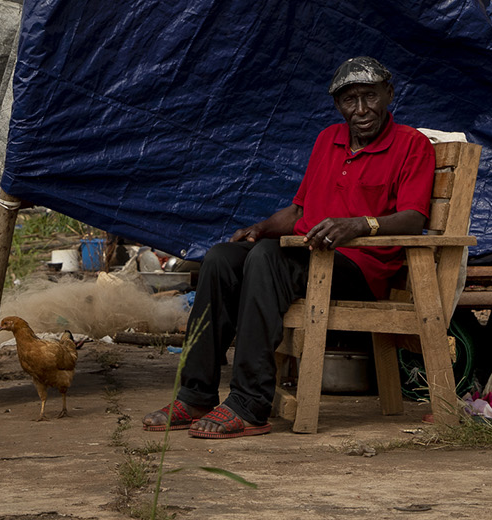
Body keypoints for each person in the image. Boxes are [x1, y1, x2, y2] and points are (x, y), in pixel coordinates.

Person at [145, 56, 434, 440]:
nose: (362, 109)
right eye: (351, 100)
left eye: (370, 96)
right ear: (338, 105)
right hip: (310, 258)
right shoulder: (327, 140)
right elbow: (300, 210)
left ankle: (250, 403)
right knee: (220, 259)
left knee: (268, 258)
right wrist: (260, 228)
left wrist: (360, 225)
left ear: (389, 94)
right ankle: (196, 394)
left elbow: (414, 217)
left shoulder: (411, 145)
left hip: (361, 269)